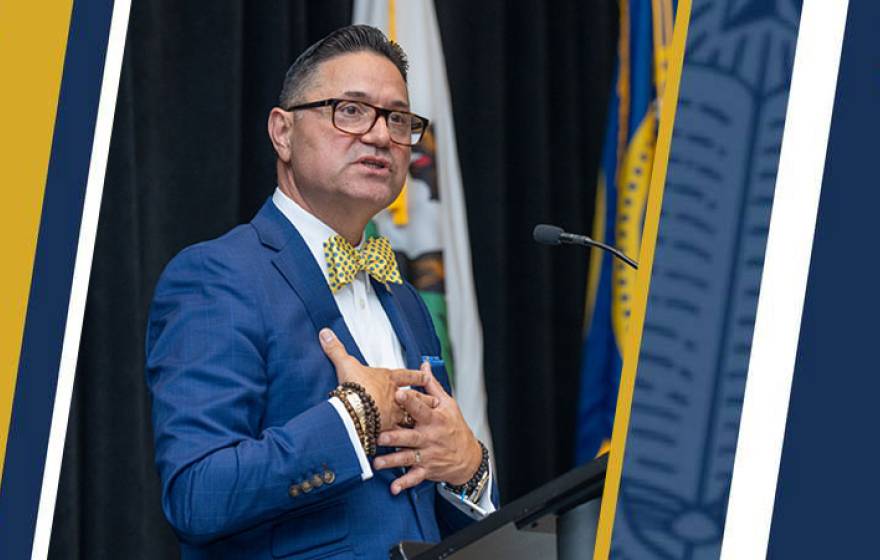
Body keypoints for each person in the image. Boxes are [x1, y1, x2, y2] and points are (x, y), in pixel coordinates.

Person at [145, 25, 497, 559]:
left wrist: (467, 469)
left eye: (398, 119)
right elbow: (197, 494)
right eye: (350, 110)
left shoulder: (405, 299)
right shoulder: (217, 276)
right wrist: (352, 419)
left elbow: (414, 501)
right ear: (282, 132)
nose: (381, 135)